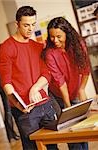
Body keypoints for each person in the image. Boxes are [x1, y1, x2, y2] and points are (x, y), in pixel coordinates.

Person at [0, 6, 58, 150]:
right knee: (32, 147)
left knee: (52, 147)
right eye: (26, 25)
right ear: (16, 24)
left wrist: (35, 88)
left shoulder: (38, 46)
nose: (30, 29)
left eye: (33, 24)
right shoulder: (6, 47)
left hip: (45, 104)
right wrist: (17, 104)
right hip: (25, 110)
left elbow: (46, 74)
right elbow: (6, 82)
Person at [42, 17, 91, 150]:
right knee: (69, 127)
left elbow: (85, 68)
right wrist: (68, 107)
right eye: (52, 37)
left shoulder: (78, 44)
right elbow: (60, 81)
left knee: (80, 127)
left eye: (59, 36)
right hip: (58, 94)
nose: (55, 40)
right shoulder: (50, 53)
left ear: (67, 34)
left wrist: (81, 89)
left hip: (75, 90)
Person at [0, 76, 20, 142]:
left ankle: (11, 134)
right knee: (8, 110)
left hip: (1, 86)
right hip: (2, 86)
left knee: (8, 110)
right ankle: (10, 134)